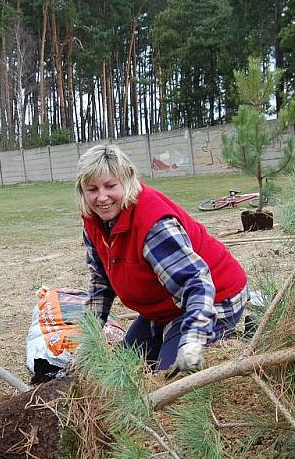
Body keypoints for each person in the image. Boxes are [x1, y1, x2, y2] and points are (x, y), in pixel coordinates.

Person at [76, 144, 248, 373]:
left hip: (213, 298)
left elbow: (196, 282)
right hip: (163, 306)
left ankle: (232, 346)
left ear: (127, 181)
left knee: (171, 380)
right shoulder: (94, 221)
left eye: (110, 186)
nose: (102, 197)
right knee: (124, 370)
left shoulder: (153, 225)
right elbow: (101, 283)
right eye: (92, 189)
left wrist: (193, 339)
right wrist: (87, 343)